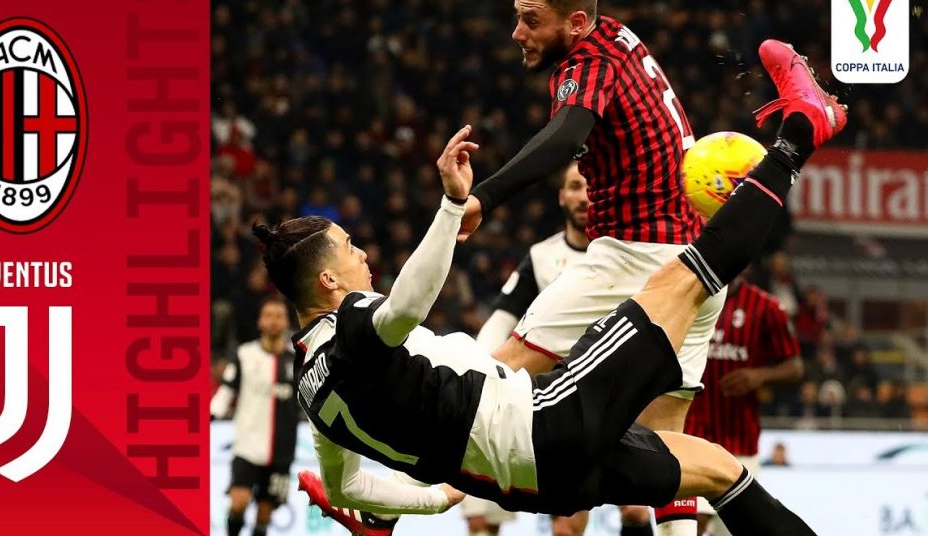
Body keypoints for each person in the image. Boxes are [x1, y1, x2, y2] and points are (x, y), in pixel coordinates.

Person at [257, 39, 845, 536]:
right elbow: (407, 305)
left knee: (717, 469)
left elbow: (348, 488)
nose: (363, 254)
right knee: (687, 274)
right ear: (328, 280)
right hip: (547, 425)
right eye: (349, 248)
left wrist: (432, 502)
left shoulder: (312, 390)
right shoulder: (354, 322)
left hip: (529, 482)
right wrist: (452, 205)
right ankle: (800, 132)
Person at [456, 0, 728, 531]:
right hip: (697, 260)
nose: (518, 33)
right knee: (667, 443)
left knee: (504, 370)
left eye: (532, 20)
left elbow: (565, 138)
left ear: (576, 22)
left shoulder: (588, 61)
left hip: (637, 253)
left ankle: (397, 493)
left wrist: (484, 196)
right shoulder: (617, 35)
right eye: (517, 17)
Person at [469, 167, 650, 536]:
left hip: (620, 399)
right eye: (574, 186)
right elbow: (501, 319)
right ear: (562, 197)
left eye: (592, 185)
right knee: (560, 524)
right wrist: (478, 366)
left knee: (634, 509)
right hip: (557, 401)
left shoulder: (633, 252)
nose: (584, 196)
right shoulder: (541, 257)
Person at [683, 275, 804, 536]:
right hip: (691, 435)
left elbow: (795, 366)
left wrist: (760, 375)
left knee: (732, 529)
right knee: (692, 525)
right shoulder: (688, 296)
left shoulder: (767, 307)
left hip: (740, 442)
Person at [209, 297, 300, 536]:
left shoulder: (297, 360)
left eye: (278, 316)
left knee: (264, 513)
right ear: (260, 321)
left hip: (282, 450)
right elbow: (227, 391)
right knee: (238, 502)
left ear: (286, 322)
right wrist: (211, 414)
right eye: (268, 315)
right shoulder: (244, 355)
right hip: (247, 446)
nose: (273, 321)